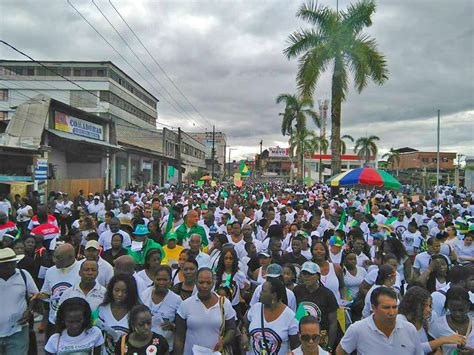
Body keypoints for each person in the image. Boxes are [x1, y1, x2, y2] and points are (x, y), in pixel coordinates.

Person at [336, 287, 423, 355]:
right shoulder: (357, 330)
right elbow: (340, 352)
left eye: (394, 307)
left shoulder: (409, 329)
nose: (392, 312)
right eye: (386, 308)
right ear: (373, 308)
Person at [174, 267, 236, 354]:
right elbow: (179, 337)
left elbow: (232, 328)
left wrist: (223, 342)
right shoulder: (186, 305)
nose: (204, 286)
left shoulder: (224, 303)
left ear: (213, 283)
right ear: (196, 282)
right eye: (201, 282)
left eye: (208, 282)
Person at [398, 286, 466, 354]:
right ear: (412, 305)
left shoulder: (425, 321)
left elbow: (430, 345)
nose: (428, 309)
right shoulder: (400, 320)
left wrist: (437, 350)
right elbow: (410, 348)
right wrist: (442, 340)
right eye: (424, 306)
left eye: (429, 305)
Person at [241, 277, 299, 354]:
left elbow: (295, 347)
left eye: (263, 291)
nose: (260, 293)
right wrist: (244, 335)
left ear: (274, 295)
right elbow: (245, 325)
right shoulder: (255, 308)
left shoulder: (290, 317)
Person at [0, 248, 38, 355]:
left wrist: (29, 310)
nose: (11, 267)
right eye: (6, 264)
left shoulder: (23, 275)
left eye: (13, 263)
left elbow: (35, 295)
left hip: (18, 331)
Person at [293, 261, 338, 351]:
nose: (307, 277)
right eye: (304, 274)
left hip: (320, 340)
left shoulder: (327, 294)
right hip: (302, 339)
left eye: (311, 274)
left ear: (318, 276)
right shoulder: (297, 290)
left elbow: (333, 323)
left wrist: (330, 347)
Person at [40, 243, 81, 341]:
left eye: (59, 258)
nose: (54, 261)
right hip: (53, 322)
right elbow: (46, 295)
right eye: (54, 257)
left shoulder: (82, 271)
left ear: (71, 257)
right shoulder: (50, 271)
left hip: (74, 323)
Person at [140, 265, 182, 352]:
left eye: (165, 279)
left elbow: (182, 327)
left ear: (170, 281)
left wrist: (172, 326)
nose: (161, 282)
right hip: (144, 345)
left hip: (165, 348)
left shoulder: (177, 300)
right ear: (154, 279)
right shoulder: (144, 295)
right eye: (158, 279)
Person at [98, 274, 139, 354]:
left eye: (125, 292)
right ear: (111, 290)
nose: (120, 294)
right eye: (116, 290)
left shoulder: (136, 311)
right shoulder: (102, 309)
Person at [429, 286, 474, 354]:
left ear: (468, 306)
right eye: (453, 310)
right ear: (448, 306)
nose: (457, 314)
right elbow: (430, 349)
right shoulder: (437, 325)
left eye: (461, 310)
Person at [214, 246, 250, 316]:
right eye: (226, 258)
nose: (228, 261)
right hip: (219, 307)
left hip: (234, 307)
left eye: (231, 258)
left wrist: (246, 288)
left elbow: (242, 293)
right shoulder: (217, 274)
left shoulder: (239, 275)